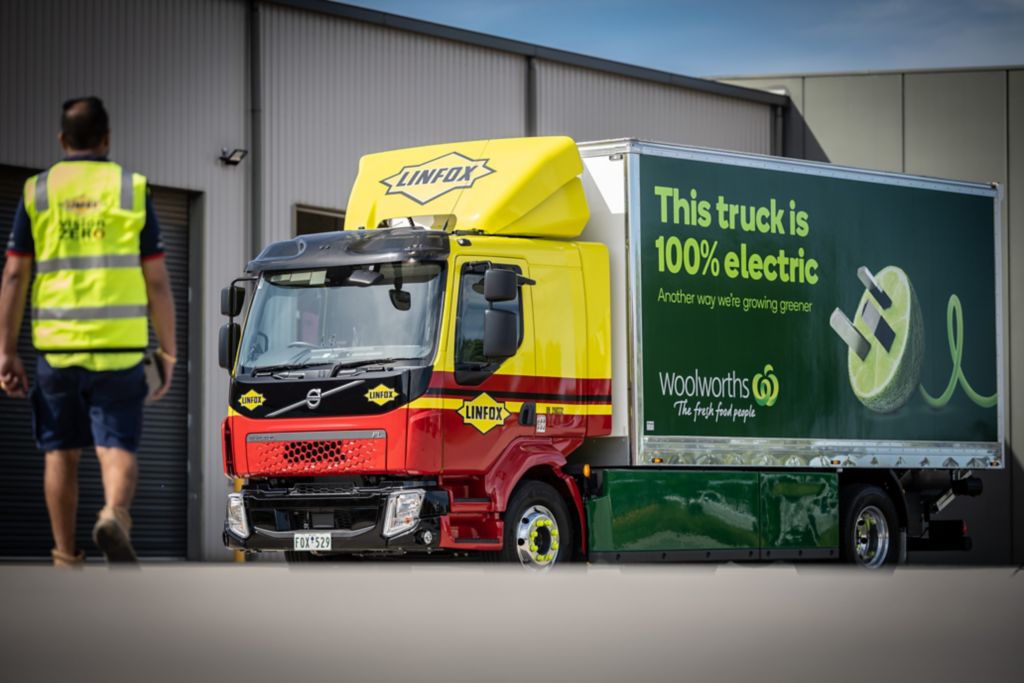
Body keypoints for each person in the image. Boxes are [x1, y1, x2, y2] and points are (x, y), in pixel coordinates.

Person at [0, 97, 176, 567]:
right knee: (115, 447)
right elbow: (157, 280)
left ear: (62, 140)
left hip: (57, 351)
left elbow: (15, 277)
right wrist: (169, 351)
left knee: (61, 453)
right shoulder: (130, 188)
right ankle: (114, 515)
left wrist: (6, 351)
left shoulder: (38, 191)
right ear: (106, 139)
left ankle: (64, 555)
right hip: (119, 349)